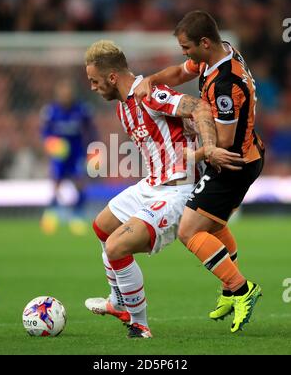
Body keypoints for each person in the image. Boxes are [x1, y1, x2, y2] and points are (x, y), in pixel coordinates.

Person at [83, 40, 245, 339]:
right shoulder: (123, 107)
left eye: (94, 80)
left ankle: (139, 323)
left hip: (176, 192)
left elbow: (198, 106)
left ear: (112, 77)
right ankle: (118, 301)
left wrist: (207, 147)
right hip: (152, 185)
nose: (92, 87)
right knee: (102, 226)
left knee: (116, 246)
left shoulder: (147, 94)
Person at [134, 10, 265, 333]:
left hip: (232, 163)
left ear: (204, 43)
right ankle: (228, 290)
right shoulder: (220, 54)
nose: (184, 53)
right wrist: (152, 79)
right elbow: (179, 72)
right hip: (242, 156)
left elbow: (224, 141)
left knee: (188, 231)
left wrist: (192, 150)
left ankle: (242, 289)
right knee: (214, 224)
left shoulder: (225, 85)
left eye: (187, 47)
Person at [40, 78, 97, 235]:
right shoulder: (51, 111)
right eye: (62, 93)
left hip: (77, 152)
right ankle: (51, 214)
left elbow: (91, 131)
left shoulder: (82, 110)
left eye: (68, 92)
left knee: (80, 183)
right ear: (58, 94)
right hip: (59, 154)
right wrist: (50, 143)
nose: (65, 95)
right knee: (56, 183)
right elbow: (45, 133)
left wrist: (94, 150)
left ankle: (77, 216)